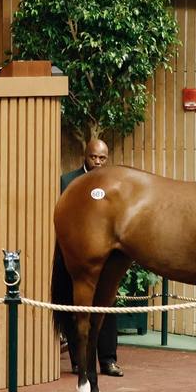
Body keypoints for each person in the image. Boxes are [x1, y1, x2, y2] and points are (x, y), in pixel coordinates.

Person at [59, 138, 123, 377]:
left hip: (106, 255)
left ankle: (108, 360)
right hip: (75, 254)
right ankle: (79, 360)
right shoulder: (67, 181)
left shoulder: (115, 184)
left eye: (102, 158)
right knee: (75, 305)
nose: (97, 161)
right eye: (93, 157)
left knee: (108, 303)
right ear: (84, 156)